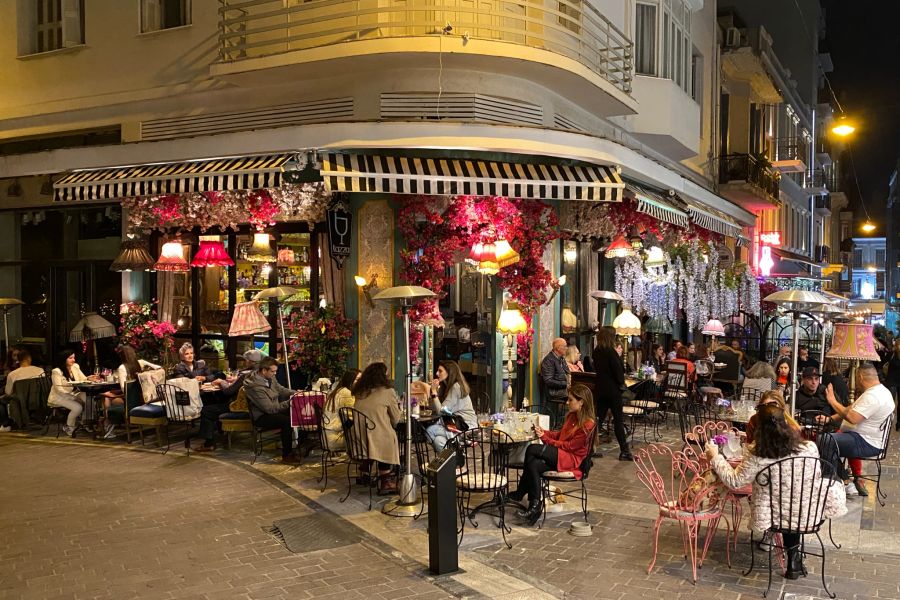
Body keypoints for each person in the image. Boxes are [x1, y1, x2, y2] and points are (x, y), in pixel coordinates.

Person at [706, 404, 845, 580]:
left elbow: (735, 481)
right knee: (792, 505)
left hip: (775, 515)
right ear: (786, 423)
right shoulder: (809, 447)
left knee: (784, 508)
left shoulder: (756, 454)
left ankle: (786, 553)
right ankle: (794, 559)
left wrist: (715, 457)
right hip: (809, 513)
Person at [510, 383, 596, 525]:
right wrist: (544, 432)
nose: (567, 402)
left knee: (532, 449)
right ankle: (534, 506)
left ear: (581, 402)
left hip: (572, 459)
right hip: (562, 454)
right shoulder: (573, 416)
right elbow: (561, 435)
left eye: (571, 400)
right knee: (534, 465)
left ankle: (521, 493)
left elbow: (570, 446)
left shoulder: (588, 424)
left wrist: (545, 439)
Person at [823, 363, 895, 497]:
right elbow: (852, 408)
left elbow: (852, 417)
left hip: (867, 443)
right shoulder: (879, 391)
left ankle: (831, 483)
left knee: (825, 440)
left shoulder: (873, 397)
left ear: (860, 376)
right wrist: (829, 419)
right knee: (831, 438)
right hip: (865, 439)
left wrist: (832, 401)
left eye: (855, 377)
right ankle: (842, 478)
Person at [194, 350, 264, 453]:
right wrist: (234, 381)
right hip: (255, 406)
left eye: (245, 360)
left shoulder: (246, 375)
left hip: (239, 408)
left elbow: (228, 391)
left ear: (250, 361)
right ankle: (220, 431)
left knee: (206, 410)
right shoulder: (260, 373)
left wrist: (221, 381)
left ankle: (209, 444)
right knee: (214, 404)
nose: (244, 362)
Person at [352, 362, 402, 494]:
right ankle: (386, 481)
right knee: (389, 436)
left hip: (359, 439)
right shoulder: (388, 392)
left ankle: (365, 469)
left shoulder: (359, 392)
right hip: (376, 439)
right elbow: (396, 419)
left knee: (379, 432)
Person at [243, 357, 301, 465]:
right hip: (261, 416)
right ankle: (287, 455)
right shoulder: (254, 386)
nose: (275, 374)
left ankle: (300, 445)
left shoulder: (270, 378)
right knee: (286, 421)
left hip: (273, 409)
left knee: (297, 412)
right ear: (264, 371)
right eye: (273, 371)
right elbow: (269, 409)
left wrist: (296, 393)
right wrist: (290, 402)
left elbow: (280, 389)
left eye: (276, 371)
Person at [592, 327, 631, 460]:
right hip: (613, 390)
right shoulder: (611, 352)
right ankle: (624, 451)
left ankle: (588, 449)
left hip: (600, 389)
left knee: (597, 420)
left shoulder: (596, 351)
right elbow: (619, 371)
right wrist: (621, 383)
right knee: (618, 421)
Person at [419, 360, 477, 451]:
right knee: (438, 441)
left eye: (440, 371)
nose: (437, 373)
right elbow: (433, 408)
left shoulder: (456, 387)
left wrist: (434, 392)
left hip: (465, 426)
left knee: (430, 431)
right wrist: (432, 392)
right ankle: (455, 460)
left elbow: (441, 412)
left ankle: (456, 455)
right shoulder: (445, 387)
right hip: (453, 424)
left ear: (449, 372)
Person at [48, 350, 96, 436]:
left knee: (89, 398)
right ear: (64, 359)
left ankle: (86, 423)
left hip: (73, 394)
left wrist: (89, 378)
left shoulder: (75, 367)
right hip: (59, 397)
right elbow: (59, 390)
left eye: (74, 357)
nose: (73, 360)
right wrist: (74, 398)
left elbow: (83, 379)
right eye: (70, 358)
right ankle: (69, 427)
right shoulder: (57, 371)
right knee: (78, 407)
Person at [1, 349, 45, 431]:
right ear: (29, 359)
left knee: (2, 400)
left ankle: (7, 423)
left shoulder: (12, 374)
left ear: (18, 360)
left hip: (19, 400)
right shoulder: (40, 371)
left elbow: (8, 392)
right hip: (37, 399)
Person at [322, 368, 360, 451]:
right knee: (370, 438)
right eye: (357, 379)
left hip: (327, 436)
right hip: (336, 438)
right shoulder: (346, 393)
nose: (361, 382)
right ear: (350, 380)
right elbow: (356, 417)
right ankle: (363, 462)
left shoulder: (339, 390)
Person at [540, 338, 569, 415]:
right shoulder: (548, 361)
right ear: (558, 348)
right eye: (565, 346)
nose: (566, 348)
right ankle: (567, 420)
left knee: (583, 393)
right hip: (554, 392)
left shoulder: (561, 359)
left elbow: (567, 373)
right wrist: (565, 384)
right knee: (578, 396)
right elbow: (549, 381)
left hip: (563, 389)